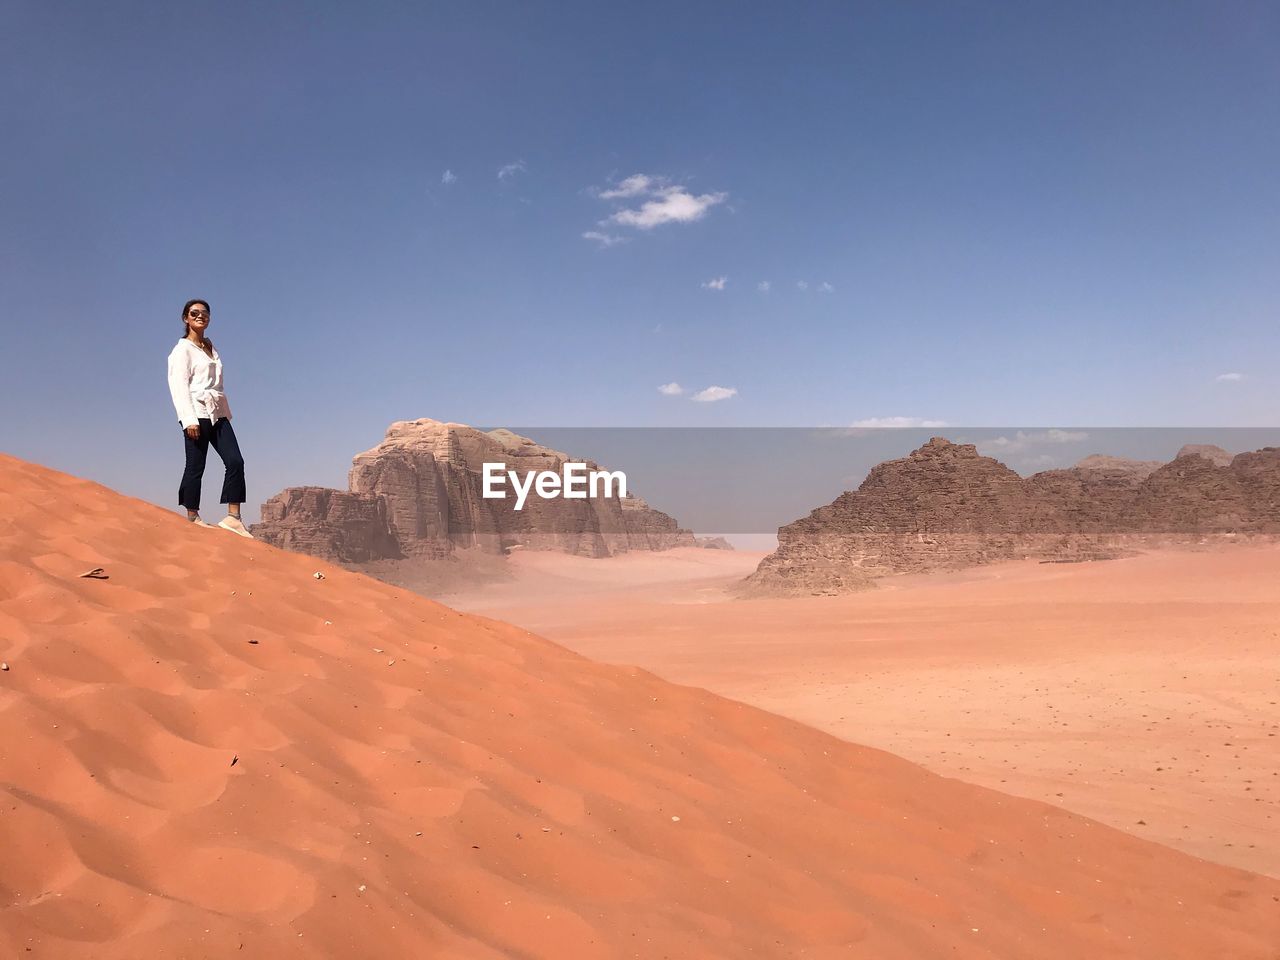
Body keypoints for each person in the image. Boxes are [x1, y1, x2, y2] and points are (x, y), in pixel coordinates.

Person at [166, 299, 253, 538]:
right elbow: (178, 386)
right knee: (196, 465)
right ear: (186, 318)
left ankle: (233, 518)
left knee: (235, 461)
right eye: (194, 313)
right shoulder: (182, 350)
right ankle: (192, 516)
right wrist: (188, 419)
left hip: (218, 413)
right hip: (196, 412)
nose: (200, 316)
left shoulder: (210, 347)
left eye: (205, 313)